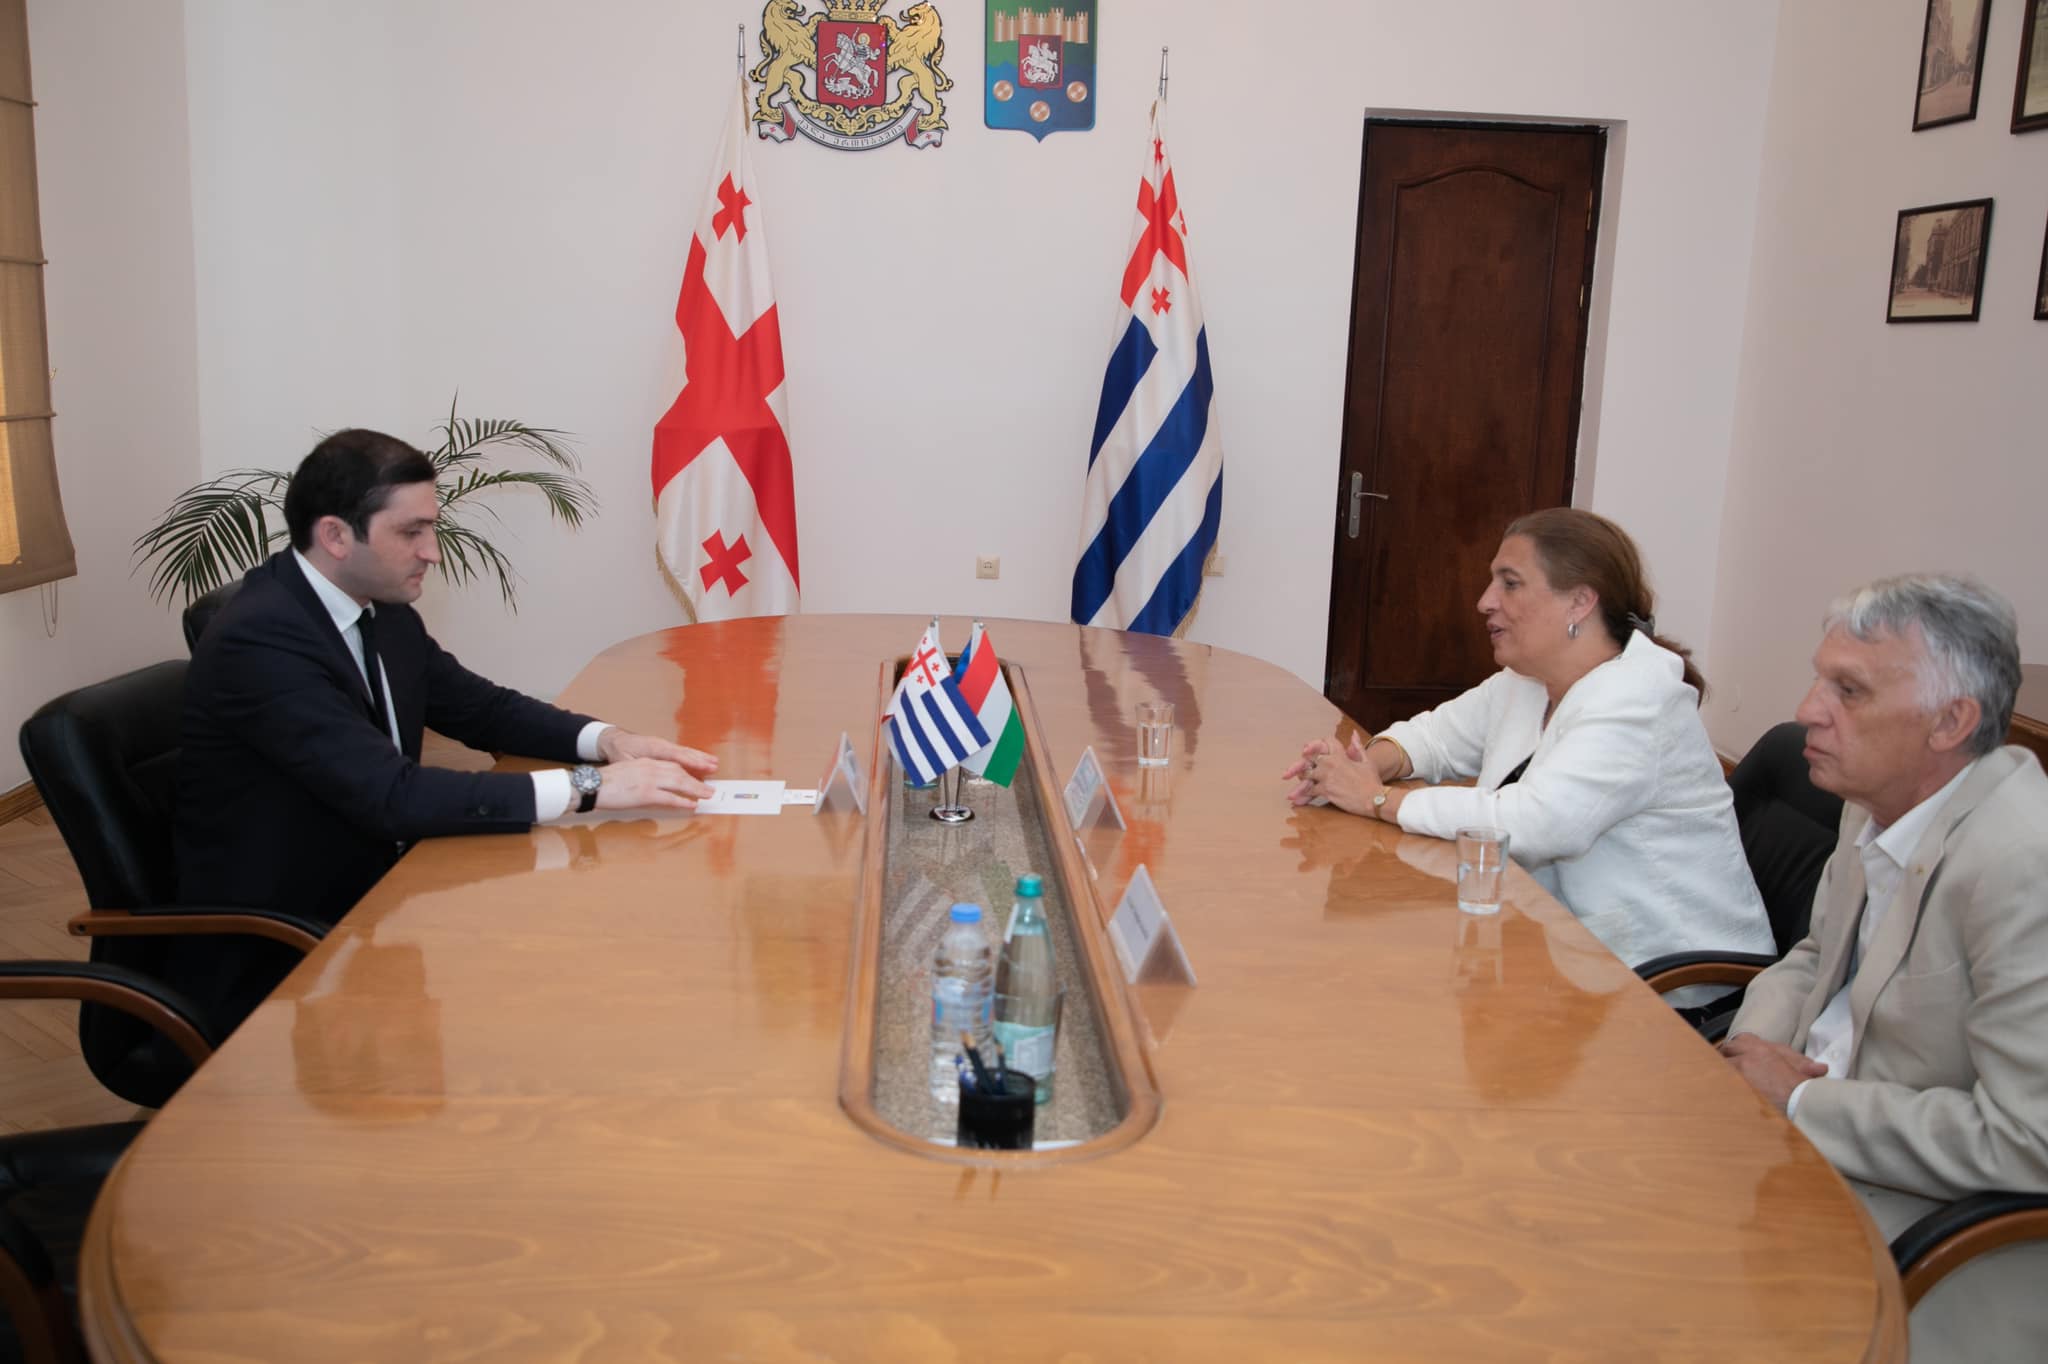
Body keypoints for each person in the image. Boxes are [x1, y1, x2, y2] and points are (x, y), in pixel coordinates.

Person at [175, 428, 717, 1030]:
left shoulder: (378, 606)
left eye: (431, 528)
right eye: (411, 532)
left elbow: (481, 709)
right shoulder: (261, 639)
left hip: (384, 895)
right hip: (291, 952)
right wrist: (589, 787)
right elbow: (392, 796)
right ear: (335, 536)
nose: (432, 552)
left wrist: (609, 741)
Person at [1718, 574, 2048, 1363]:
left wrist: (1801, 1098)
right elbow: (1812, 958)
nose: (1807, 709)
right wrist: (1751, 1055)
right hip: (1796, 1151)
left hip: (1922, 1234)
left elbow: (2029, 1140)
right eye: (1820, 679)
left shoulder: (2023, 863)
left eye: (1850, 690)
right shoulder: (1875, 799)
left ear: (1950, 722)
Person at [1283, 508, 1772, 976]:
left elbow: (1538, 823)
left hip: (1668, 981)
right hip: (1559, 946)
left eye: (1510, 583)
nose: (1485, 601)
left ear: (1580, 601)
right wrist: (1364, 765)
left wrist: (1374, 799)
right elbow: (1435, 737)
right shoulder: (1528, 679)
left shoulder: (1639, 699)